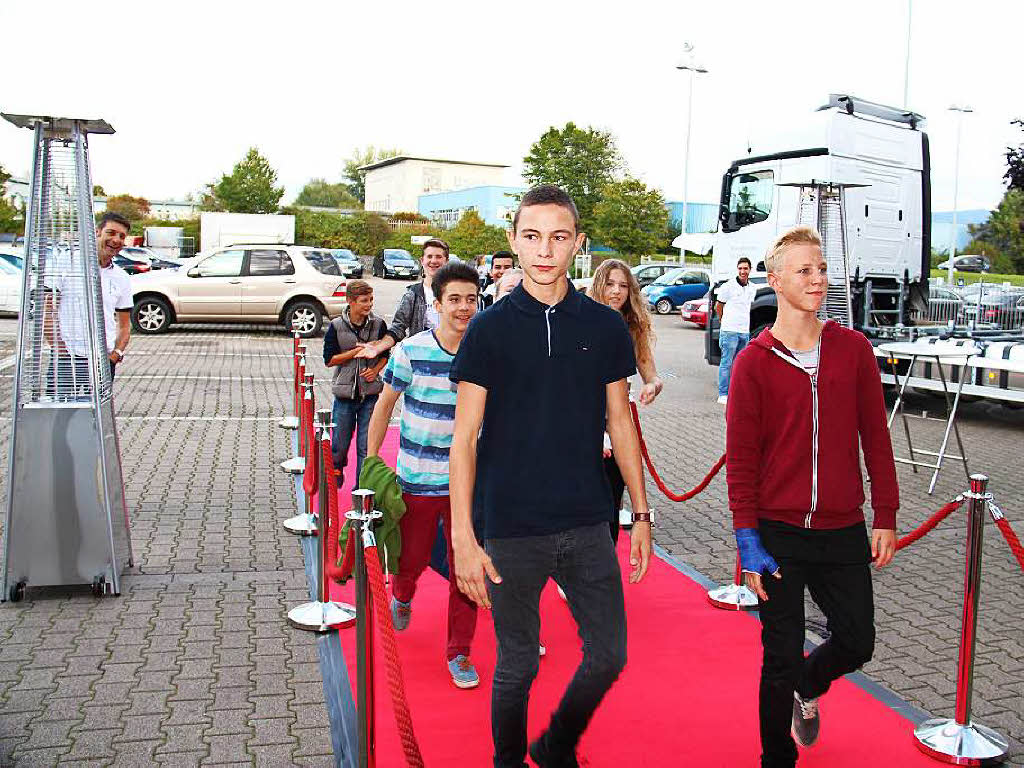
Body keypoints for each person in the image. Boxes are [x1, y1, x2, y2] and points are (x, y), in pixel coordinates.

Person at [449, 184, 653, 768]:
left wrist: (640, 515)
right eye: (532, 237)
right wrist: (464, 535)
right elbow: (464, 437)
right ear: (513, 241)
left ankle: (557, 741)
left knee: (609, 654)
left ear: (578, 245)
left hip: (588, 519)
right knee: (518, 664)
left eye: (559, 238)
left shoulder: (605, 327)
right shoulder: (488, 329)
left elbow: (621, 422)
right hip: (512, 525)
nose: (545, 250)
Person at [725, 226, 899, 768]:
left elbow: (876, 435)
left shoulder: (853, 350)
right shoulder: (754, 361)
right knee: (777, 656)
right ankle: (776, 757)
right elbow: (743, 459)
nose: (819, 279)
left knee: (857, 640)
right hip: (776, 534)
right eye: (805, 270)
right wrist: (746, 538)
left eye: (822, 269)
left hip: (842, 527)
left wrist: (886, 514)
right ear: (775, 280)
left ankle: (809, 684)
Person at [365, 260, 482, 689]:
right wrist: (371, 460)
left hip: (466, 484)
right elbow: (384, 406)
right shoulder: (411, 350)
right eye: (454, 299)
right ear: (437, 304)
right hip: (415, 480)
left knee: (464, 569)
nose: (464, 307)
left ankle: (460, 651)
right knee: (411, 560)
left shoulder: (485, 353)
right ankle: (402, 592)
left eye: (471, 299)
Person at [588, 258, 663, 539]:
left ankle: (602, 561)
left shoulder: (632, 327)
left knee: (612, 496)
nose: (616, 291)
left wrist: (652, 387)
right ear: (598, 286)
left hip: (618, 426)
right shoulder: (581, 322)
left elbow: (652, 374)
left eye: (623, 285)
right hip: (584, 425)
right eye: (610, 284)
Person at [45, 211, 133, 393]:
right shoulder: (67, 262)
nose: (116, 240)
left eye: (121, 236)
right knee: (62, 417)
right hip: (68, 359)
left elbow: (125, 326)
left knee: (99, 418)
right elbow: (47, 309)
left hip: (103, 361)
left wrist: (115, 355)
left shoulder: (122, 278)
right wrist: (60, 350)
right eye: (111, 233)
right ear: (97, 232)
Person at [322, 279, 389, 483]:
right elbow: (329, 360)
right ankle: (336, 471)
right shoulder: (336, 326)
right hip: (345, 394)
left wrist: (375, 370)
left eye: (371, 300)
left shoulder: (379, 324)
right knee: (340, 443)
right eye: (363, 301)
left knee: (366, 445)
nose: (369, 305)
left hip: (370, 394)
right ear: (350, 301)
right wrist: (355, 353)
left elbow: (386, 354)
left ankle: (361, 488)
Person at [359, 238, 450, 360]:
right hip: (422, 359)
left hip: (452, 357)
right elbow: (398, 327)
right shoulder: (413, 294)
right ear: (422, 261)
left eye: (438, 257)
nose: (433, 261)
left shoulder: (458, 293)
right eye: (429, 256)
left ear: (447, 261)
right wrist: (378, 347)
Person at [715, 256, 757, 405]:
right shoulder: (728, 286)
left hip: (743, 331)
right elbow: (718, 306)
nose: (742, 271)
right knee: (726, 363)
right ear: (737, 270)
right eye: (740, 268)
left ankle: (736, 392)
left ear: (750, 270)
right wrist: (722, 321)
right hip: (729, 331)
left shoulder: (752, 288)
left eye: (745, 268)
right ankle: (723, 394)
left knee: (739, 364)